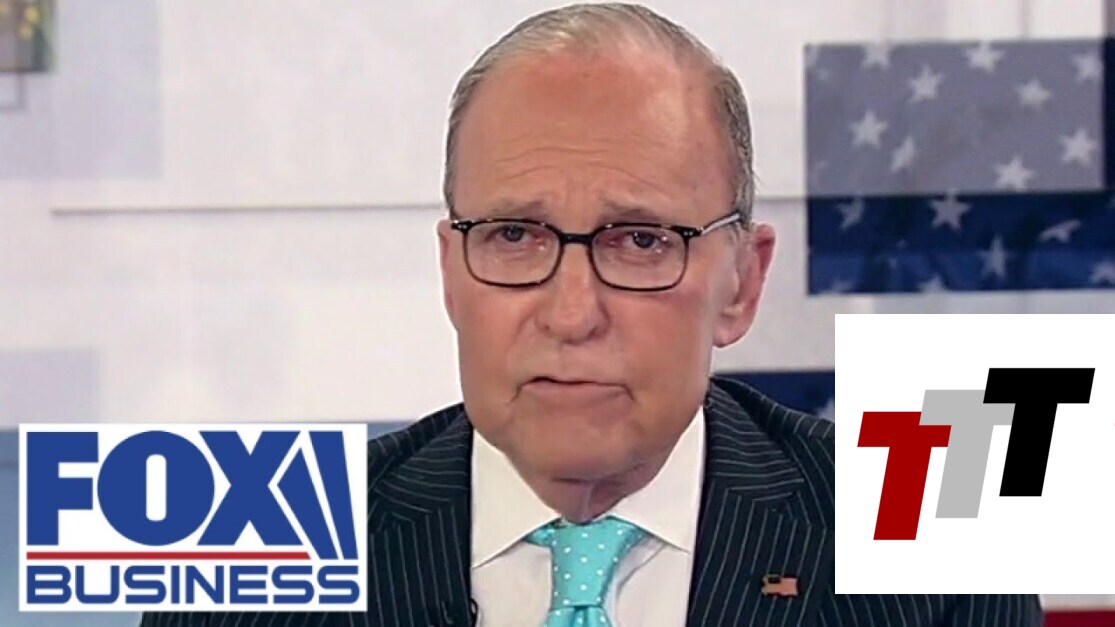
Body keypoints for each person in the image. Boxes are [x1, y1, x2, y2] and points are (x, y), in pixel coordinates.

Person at [143, 3, 1042, 626]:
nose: (572, 314)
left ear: (740, 283)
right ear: (451, 272)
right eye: (512, 235)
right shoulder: (251, 559)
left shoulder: (932, 548)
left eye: (642, 241)